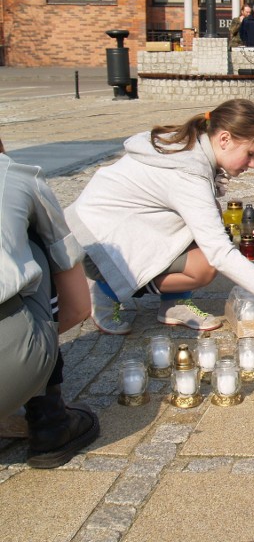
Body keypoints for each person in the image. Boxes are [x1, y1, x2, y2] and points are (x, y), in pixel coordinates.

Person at [66, 99, 254, 338]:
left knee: (209, 224)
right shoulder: (188, 173)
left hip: (109, 232)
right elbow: (220, 253)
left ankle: (173, 302)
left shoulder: (193, 148)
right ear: (224, 139)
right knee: (205, 266)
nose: (253, 165)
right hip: (97, 248)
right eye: (250, 154)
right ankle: (106, 289)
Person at [0, 137, 100, 468]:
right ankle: (50, 421)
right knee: (35, 246)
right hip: (12, 365)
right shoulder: (18, 177)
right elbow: (77, 308)